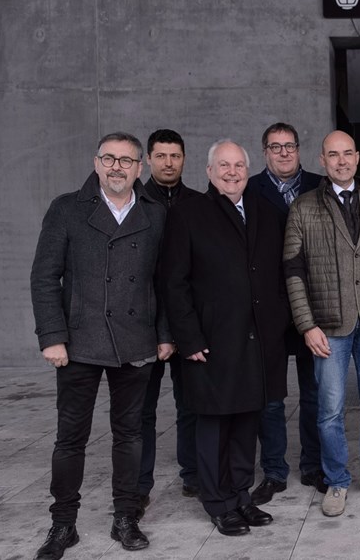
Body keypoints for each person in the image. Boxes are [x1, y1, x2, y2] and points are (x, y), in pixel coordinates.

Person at [31, 132, 171, 559]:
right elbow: (44, 278)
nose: (117, 167)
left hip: (136, 341)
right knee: (70, 438)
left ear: (139, 168)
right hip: (79, 343)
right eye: (109, 158)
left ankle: (125, 516)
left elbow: (164, 282)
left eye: (126, 161)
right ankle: (63, 524)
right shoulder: (67, 208)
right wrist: (52, 337)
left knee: (130, 436)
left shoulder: (156, 212)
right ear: (96, 163)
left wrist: (165, 334)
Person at [161, 140, 287, 537]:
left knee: (247, 422)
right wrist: (189, 338)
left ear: (247, 170)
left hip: (257, 339)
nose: (232, 172)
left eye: (238, 165)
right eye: (224, 166)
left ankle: (240, 496)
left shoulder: (266, 211)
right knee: (215, 422)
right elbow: (173, 282)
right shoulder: (188, 212)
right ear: (209, 171)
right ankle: (218, 503)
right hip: (211, 340)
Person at [283, 130, 360, 517]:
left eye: (347, 153)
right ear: (322, 160)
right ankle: (336, 481)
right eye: (333, 155)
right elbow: (293, 270)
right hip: (327, 326)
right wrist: (306, 325)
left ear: (357, 157)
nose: (341, 161)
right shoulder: (303, 207)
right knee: (330, 409)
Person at [247, 122, 326, 503]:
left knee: (315, 392)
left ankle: (313, 465)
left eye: (289, 146)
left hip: (314, 305)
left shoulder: (319, 185)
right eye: (275, 147)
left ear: (299, 149)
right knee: (271, 396)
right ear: (265, 152)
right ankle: (275, 470)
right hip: (269, 308)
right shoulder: (247, 189)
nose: (283, 153)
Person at [137, 129, 200, 518]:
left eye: (175, 156)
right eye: (160, 156)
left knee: (190, 404)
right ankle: (140, 484)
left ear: (184, 159)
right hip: (143, 325)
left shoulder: (196, 203)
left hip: (186, 322)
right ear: (148, 159)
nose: (168, 163)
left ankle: (193, 473)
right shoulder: (135, 201)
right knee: (141, 411)